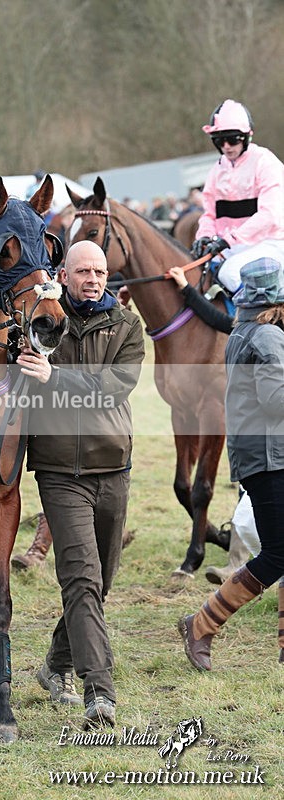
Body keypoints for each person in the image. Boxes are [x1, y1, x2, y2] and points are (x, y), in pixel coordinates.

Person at [17, 240, 145, 728]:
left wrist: (54, 376)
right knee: (82, 579)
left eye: (100, 271)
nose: (93, 278)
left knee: (101, 582)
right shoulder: (43, 321)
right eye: (83, 271)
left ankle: (55, 664)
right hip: (59, 471)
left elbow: (114, 388)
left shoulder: (128, 326)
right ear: (64, 275)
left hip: (114, 467)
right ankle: (100, 694)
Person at [178, 256, 284, 670]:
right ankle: (201, 624)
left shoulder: (244, 331)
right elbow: (276, 402)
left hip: (260, 456)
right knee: (276, 555)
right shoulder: (268, 337)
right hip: (270, 458)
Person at [191, 99, 284, 295]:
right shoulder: (217, 169)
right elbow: (209, 214)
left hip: (272, 242)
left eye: (232, 139)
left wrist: (229, 240)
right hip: (234, 246)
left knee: (231, 273)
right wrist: (204, 236)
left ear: (247, 137)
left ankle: (267, 320)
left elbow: (270, 215)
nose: (226, 146)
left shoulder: (265, 162)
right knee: (194, 271)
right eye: (219, 140)